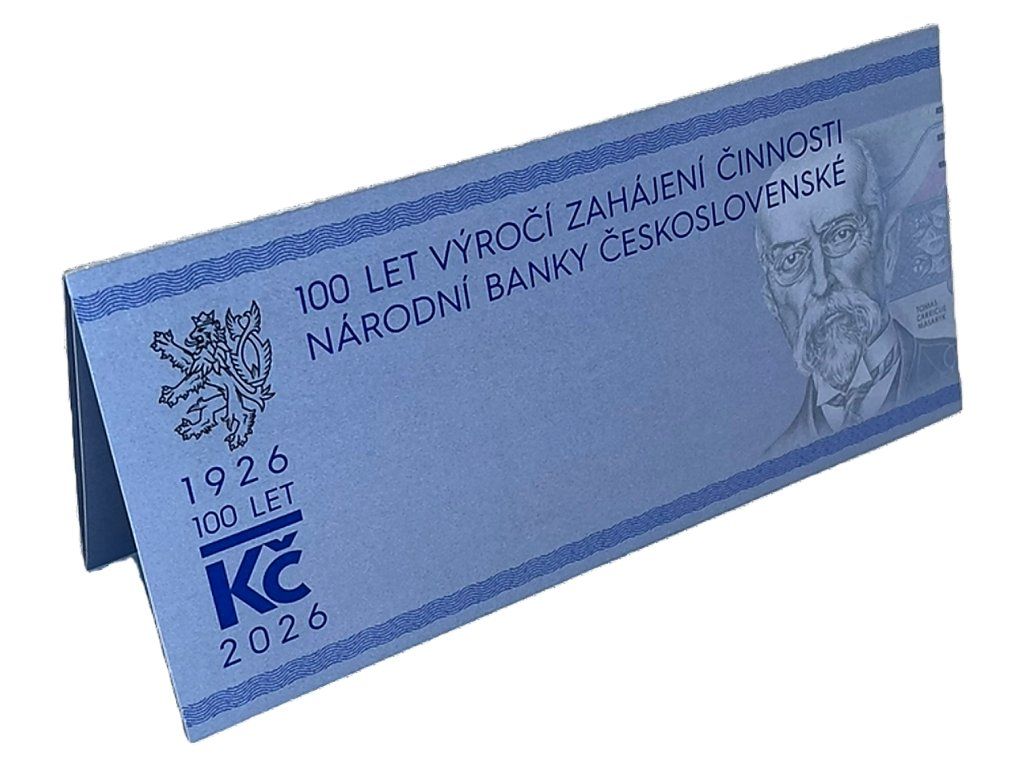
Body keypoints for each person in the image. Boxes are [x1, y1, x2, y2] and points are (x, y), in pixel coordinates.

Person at [754, 139, 956, 457]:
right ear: (773, 302)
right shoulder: (775, 460)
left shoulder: (955, 373)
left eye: (840, 235)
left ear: (888, 246)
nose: (822, 283)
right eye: (791, 260)